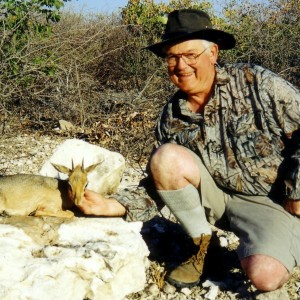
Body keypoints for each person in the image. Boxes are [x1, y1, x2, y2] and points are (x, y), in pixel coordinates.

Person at [78, 8, 300, 293]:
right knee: (166, 158)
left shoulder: (257, 82)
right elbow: (159, 182)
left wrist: (297, 188)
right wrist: (113, 204)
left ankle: (279, 239)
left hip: (272, 200)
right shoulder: (171, 114)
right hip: (216, 200)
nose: (181, 66)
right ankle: (203, 249)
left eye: (190, 55)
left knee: (264, 276)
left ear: (213, 53)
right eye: (173, 57)